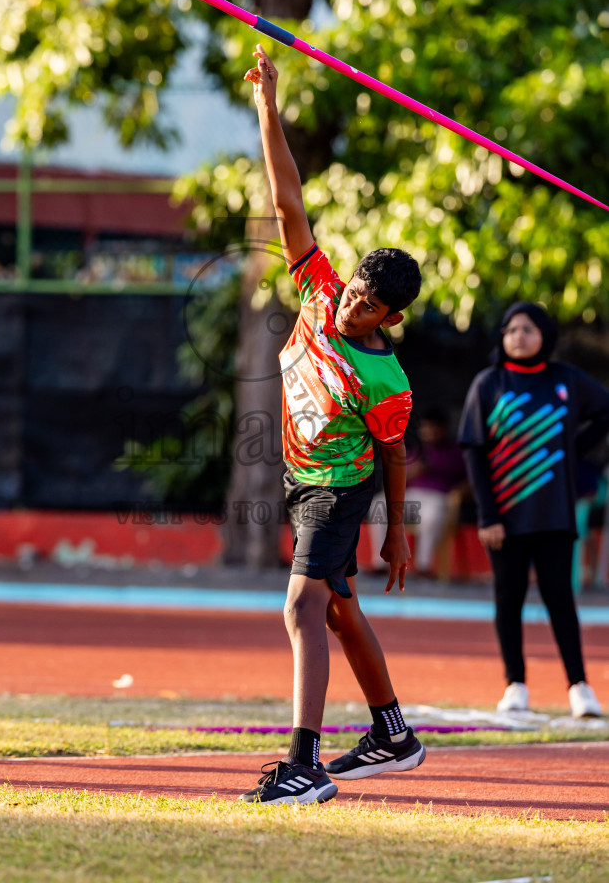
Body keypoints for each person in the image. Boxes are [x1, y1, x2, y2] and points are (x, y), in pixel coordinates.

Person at [239, 44, 425, 805]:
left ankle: (304, 764)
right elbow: (288, 204)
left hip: (336, 489)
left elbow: (393, 455)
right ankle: (391, 734)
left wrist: (396, 529)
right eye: (351, 293)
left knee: (301, 606)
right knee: (341, 612)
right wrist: (267, 106)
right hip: (297, 479)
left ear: (392, 317)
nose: (350, 307)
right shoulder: (317, 291)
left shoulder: (386, 379)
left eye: (367, 307)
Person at [458, 301, 609, 718]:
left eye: (527, 329)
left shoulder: (565, 380)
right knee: (509, 597)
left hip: (554, 513)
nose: (518, 337)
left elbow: (604, 411)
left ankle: (580, 688)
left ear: (545, 336)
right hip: (503, 517)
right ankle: (515, 685)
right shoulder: (489, 383)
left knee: (560, 596)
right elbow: (474, 452)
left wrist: (576, 456)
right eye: (510, 330)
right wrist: (487, 516)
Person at [369, 409, 466, 577]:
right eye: (425, 427)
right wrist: (414, 471)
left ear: (443, 428)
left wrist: (458, 492)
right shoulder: (416, 451)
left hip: (438, 499)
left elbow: (468, 480)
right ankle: (381, 563)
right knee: (380, 504)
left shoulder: (457, 452)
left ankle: (423, 566)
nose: (429, 431)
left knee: (431, 515)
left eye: (433, 427)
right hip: (411, 498)